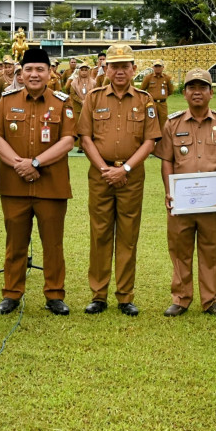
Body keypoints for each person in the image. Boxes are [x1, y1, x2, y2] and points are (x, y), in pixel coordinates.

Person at [0, 47, 76, 316]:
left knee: (53, 243)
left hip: (51, 185)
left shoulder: (62, 102)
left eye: (40, 69)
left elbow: (68, 140)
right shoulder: (6, 100)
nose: (34, 74)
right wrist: (20, 164)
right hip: (15, 184)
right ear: (21, 73)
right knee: (15, 242)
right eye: (29, 69)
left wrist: (35, 163)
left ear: (50, 73)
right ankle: (12, 293)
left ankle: (54, 295)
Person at [76, 44, 162, 316]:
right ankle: (98, 295)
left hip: (131, 177)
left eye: (126, 65)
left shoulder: (145, 100)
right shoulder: (93, 97)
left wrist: (123, 169)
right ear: (106, 69)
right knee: (100, 234)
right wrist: (105, 169)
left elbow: (150, 141)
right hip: (100, 176)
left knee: (127, 235)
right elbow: (85, 137)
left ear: (134, 69)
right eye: (115, 66)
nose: (120, 71)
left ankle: (125, 296)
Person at [157, 69, 216, 318]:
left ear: (211, 93)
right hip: (181, 200)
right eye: (192, 87)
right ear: (184, 93)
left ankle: (210, 299)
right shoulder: (172, 123)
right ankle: (181, 298)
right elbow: (166, 160)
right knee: (179, 248)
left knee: (211, 249)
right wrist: (168, 191)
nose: (197, 92)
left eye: (203, 87)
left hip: (212, 201)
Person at [140, 60, 173, 134]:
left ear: (163, 67)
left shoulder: (167, 78)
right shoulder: (148, 78)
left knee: (163, 123)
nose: (157, 68)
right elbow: (142, 90)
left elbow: (170, 90)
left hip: (162, 104)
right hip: (151, 104)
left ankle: (162, 141)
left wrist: (162, 97)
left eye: (159, 66)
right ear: (153, 67)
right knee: (151, 121)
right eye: (156, 66)